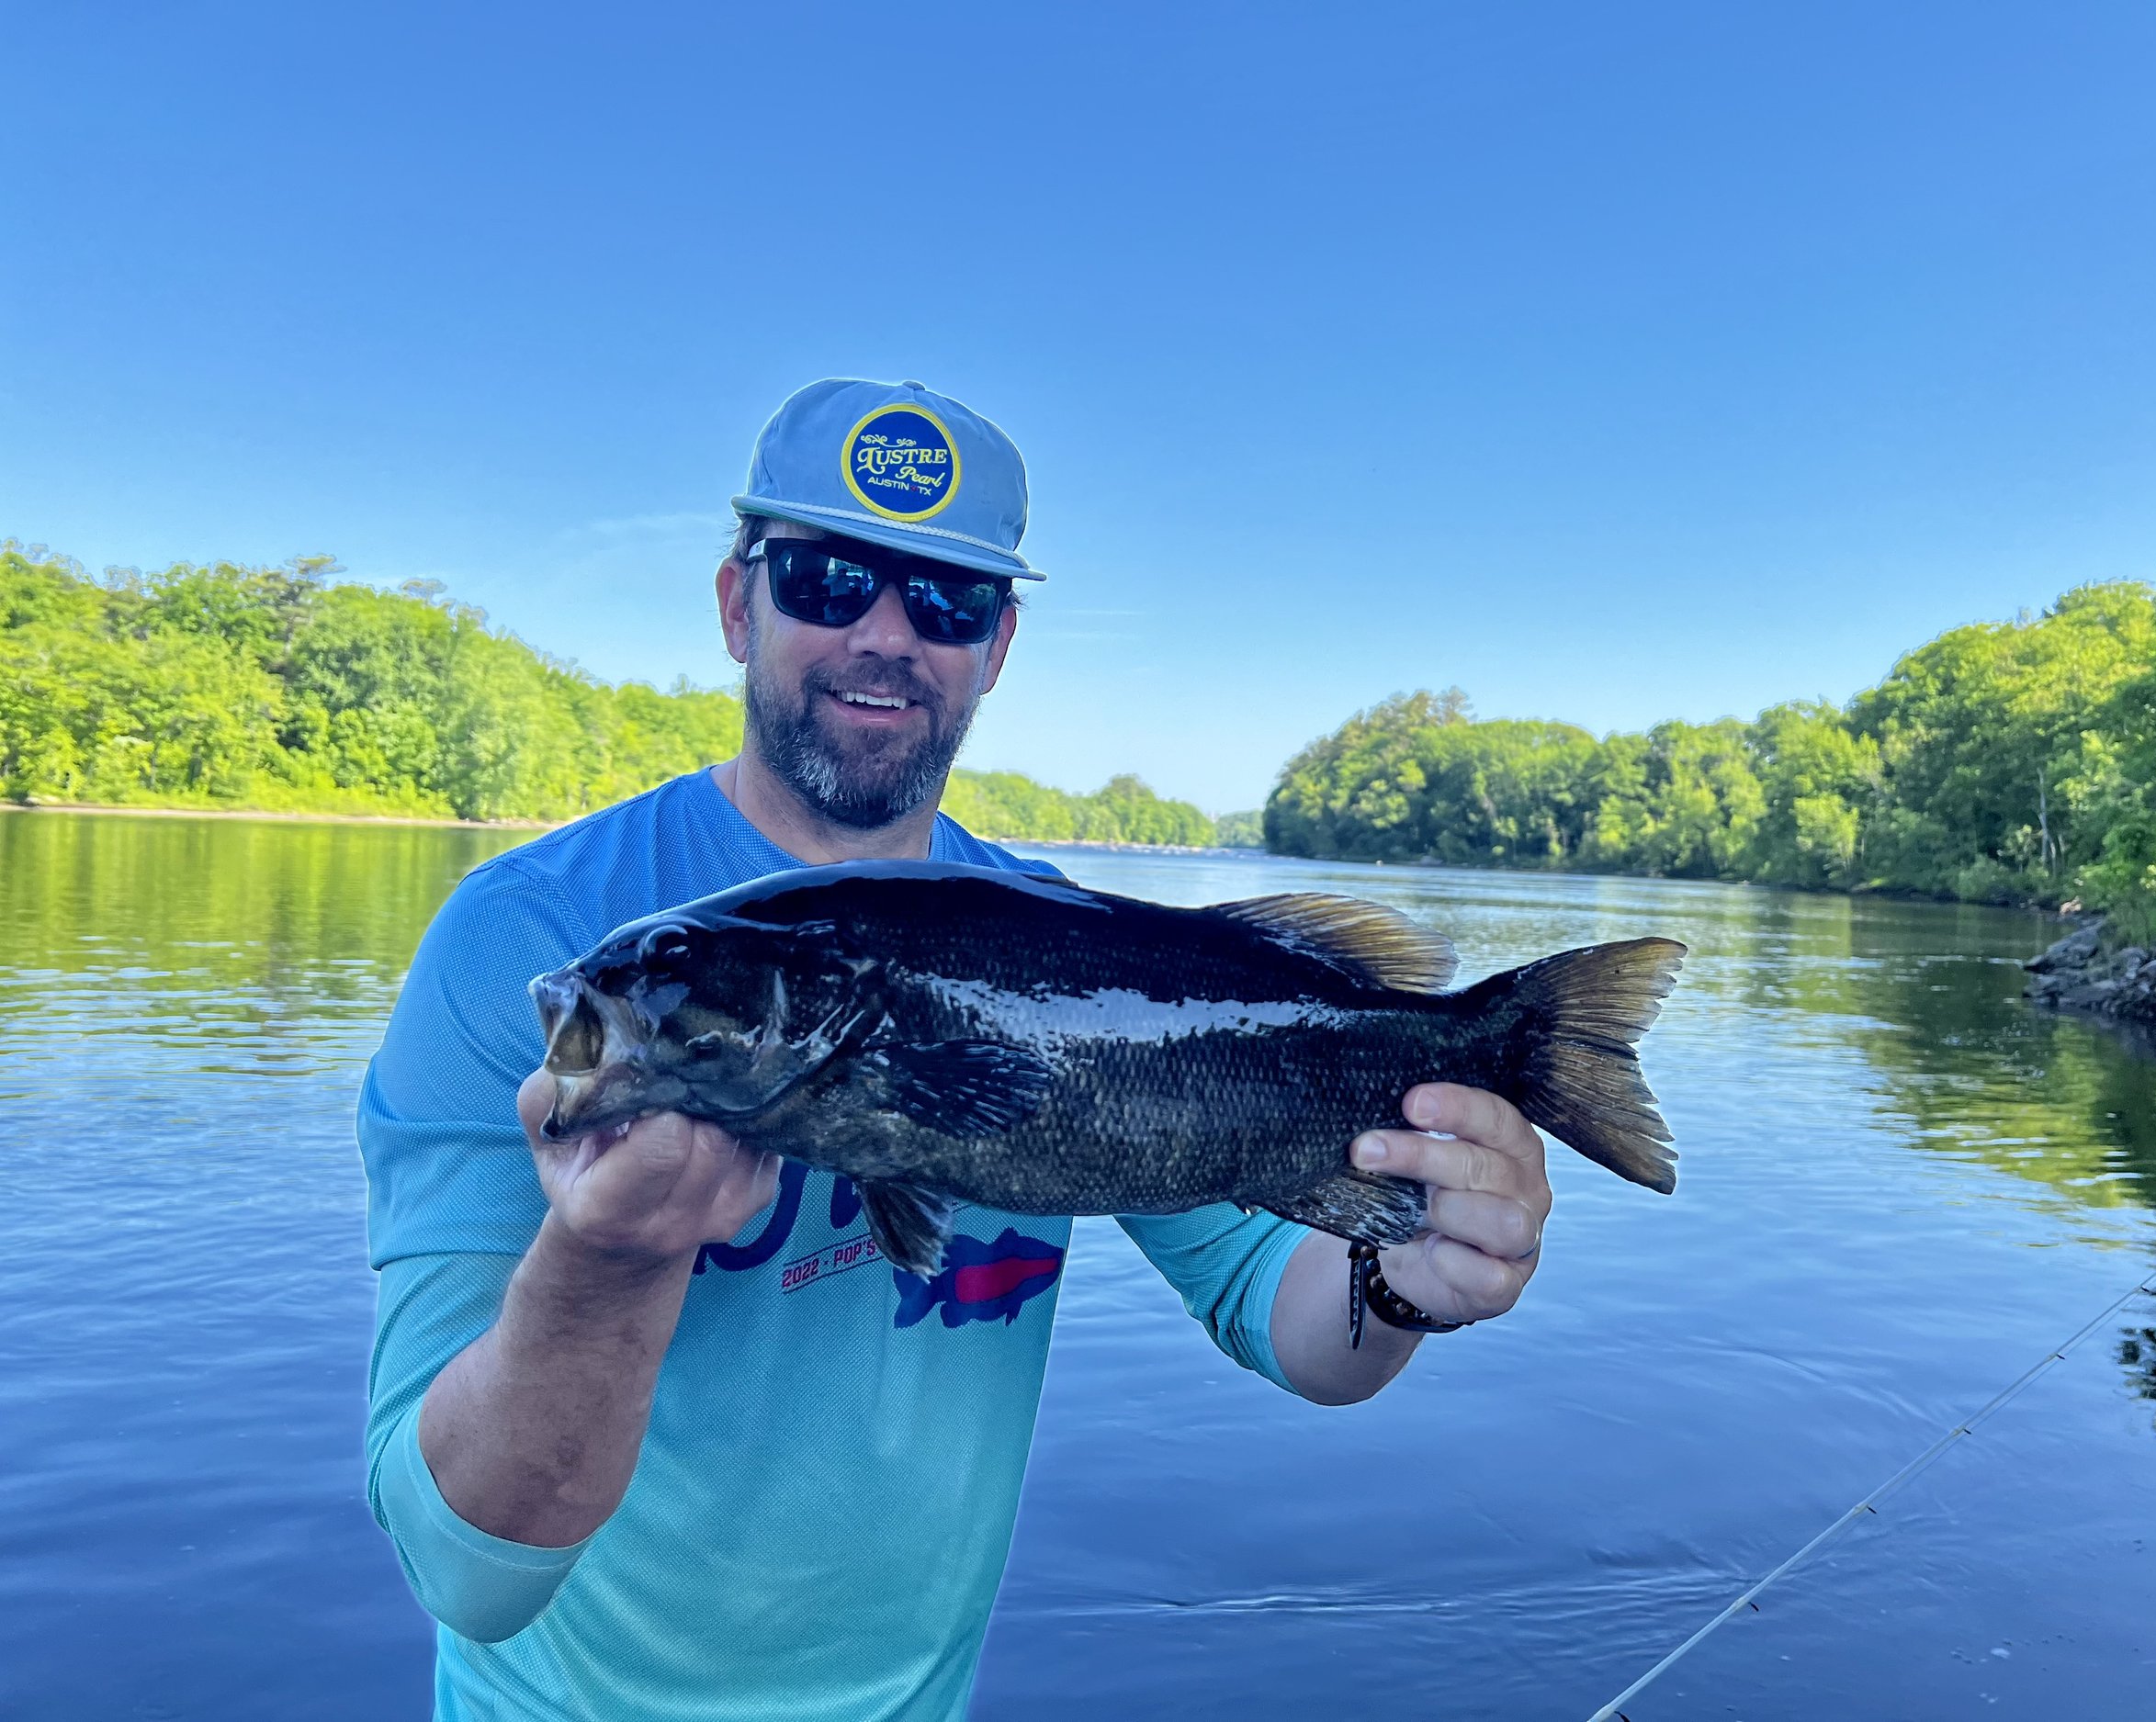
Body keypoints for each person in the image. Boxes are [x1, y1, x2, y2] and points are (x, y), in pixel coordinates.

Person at [360, 378, 1554, 1721]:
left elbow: (1295, 1328)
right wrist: (608, 1260)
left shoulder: (1053, 920)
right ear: (734, 602)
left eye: (945, 602)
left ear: (996, 648)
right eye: (825, 578)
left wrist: (1405, 1277)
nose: (884, 636)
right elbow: (467, 1574)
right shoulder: (521, 938)